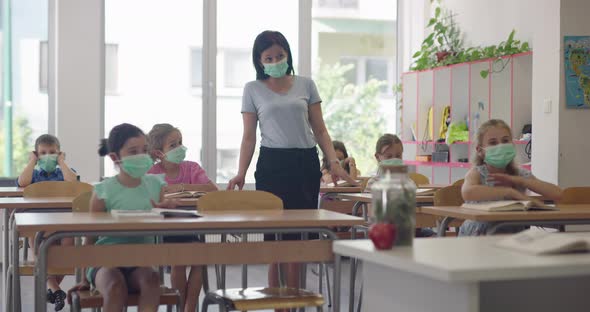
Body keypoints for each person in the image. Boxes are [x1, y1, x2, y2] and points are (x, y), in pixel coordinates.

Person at [227, 30, 355, 294]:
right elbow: (249, 137)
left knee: (298, 239)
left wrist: (333, 162)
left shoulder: (306, 84)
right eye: (269, 57)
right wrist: (241, 172)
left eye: (280, 55)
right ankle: (278, 304)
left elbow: (320, 130)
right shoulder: (252, 89)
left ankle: (296, 301)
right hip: (272, 165)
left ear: (288, 55)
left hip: (304, 163)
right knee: (275, 240)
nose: (275, 61)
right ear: (259, 61)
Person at [67, 123, 175, 311]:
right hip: (105, 264)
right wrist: (84, 278)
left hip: (141, 261)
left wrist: (167, 213)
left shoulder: (156, 186)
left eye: (144, 150)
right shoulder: (103, 191)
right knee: (115, 286)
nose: (141, 155)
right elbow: (90, 238)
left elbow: (162, 223)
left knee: (152, 281)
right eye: (133, 151)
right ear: (115, 157)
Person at [147, 123, 216, 312]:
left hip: (189, 225)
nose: (180, 148)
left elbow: (212, 190)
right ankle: (180, 306)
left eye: (180, 143)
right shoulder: (152, 173)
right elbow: (147, 196)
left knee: (200, 256)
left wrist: (180, 188)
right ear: (159, 152)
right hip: (162, 230)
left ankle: (190, 306)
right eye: (173, 145)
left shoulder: (191, 168)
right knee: (179, 259)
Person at [459, 119, 562, 236]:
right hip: (479, 234)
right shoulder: (478, 172)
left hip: (513, 234)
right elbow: (467, 192)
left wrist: (522, 181)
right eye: (493, 143)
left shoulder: (519, 174)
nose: (500, 146)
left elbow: (557, 193)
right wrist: (508, 192)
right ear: (480, 150)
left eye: (505, 141)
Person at [16, 134, 78, 311]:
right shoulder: (34, 175)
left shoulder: (64, 172)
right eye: (43, 153)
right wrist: (32, 162)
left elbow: (73, 182)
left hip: (64, 223)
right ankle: (56, 289)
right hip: (39, 224)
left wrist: (62, 163)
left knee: (68, 252)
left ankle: (53, 288)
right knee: (34, 239)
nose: (48, 155)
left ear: (60, 154)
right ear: (36, 155)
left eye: (52, 152)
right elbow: (22, 182)